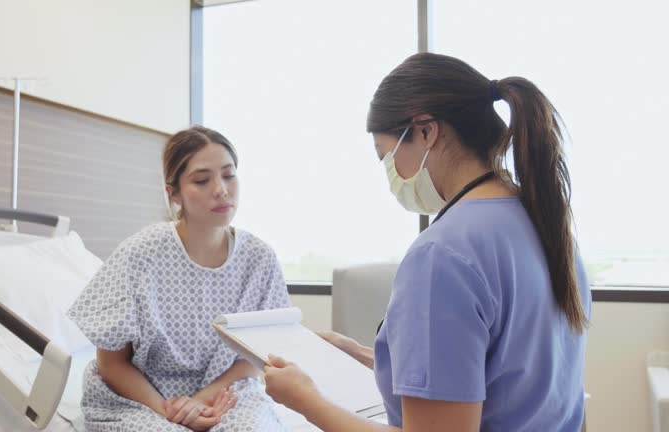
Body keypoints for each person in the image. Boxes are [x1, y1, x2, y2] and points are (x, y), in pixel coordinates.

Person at [264, 52, 592, 432]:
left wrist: (306, 401)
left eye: (386, 156)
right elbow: (499, 375)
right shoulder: (544, 221)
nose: (391, 174)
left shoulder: (444, 254)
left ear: (425, 131)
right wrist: (369, 357)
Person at [68, 126, 290, 431]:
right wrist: (170, 411)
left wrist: (201, 400)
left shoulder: (259, 259)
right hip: (141, 399)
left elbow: (254, 359)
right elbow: (111, 364)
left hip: (226, 392)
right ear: (173, 193)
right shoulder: (140, 254)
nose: (221, 190)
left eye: (229, 175)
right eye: (202, 180)